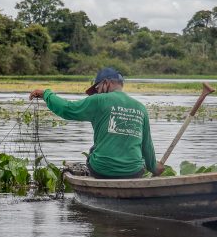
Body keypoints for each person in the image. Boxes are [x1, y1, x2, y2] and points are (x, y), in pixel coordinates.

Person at [29, 68, 164, 178]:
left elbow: (66, 109)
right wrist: (154, 168)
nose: (97, 93)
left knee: (93, 152)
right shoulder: (141, 107)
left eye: (98, 88)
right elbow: (147, 146)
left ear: (107, 83)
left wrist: (46, 94)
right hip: (134, 171)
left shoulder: (99, 100)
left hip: (103, 169)